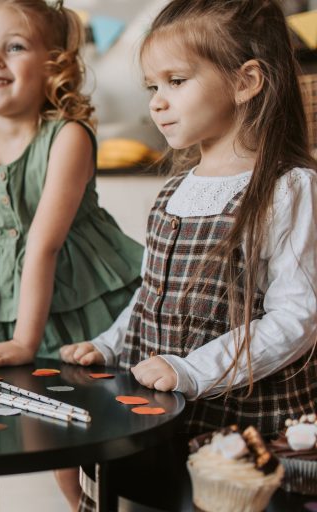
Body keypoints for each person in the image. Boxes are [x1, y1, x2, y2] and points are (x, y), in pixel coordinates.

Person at [60, 0, 317, 509]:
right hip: (161, 424)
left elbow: (298, 317)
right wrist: (111, 344)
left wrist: (193, 370)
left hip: (243, 438)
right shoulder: (174, 190)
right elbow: (153, 294)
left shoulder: (290, 189)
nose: (157, 102)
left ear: (246, 82)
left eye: (176, 81)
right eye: (153, 87)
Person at [0, 1, 143, 509]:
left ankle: (85, 505)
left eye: (16, 46)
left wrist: (26, 341)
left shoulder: (68, 138)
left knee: (68, 441)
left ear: (55, 65)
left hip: (74, 304)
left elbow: (44, 244)